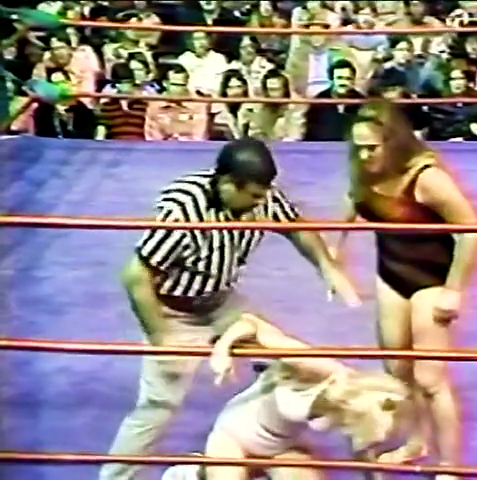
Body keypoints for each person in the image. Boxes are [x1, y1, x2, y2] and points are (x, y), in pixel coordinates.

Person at [100, 137, 361, 480]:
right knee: (159, 405)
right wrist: (162, 338)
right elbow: (135, 276)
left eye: (263, 194)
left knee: (285, 354)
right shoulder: (184, 210)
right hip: (174, 312)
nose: (261, 202)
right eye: (253, 195)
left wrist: (327, 267)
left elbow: (296, 227)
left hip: (220, 301)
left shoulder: (261, 196)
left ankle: (261, 435)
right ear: (227, 183)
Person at [333, 100, 477, 476]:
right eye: (358, 147)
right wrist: (336, 249)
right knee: (398, 370)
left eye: (372, 148)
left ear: (393, 141)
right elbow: (354, 202)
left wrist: (455, 289)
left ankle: (450, 465)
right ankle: (418, 441)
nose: (363, 155)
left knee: (430, 380)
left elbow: (472, 230)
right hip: (391, 274)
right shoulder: (363, 172)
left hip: (431, 279)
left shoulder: (426, 177)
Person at [160, 312, 414, 480]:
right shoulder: (318, 369)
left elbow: (363, 450)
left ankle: (250, 472)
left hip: (279, 447)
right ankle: (194, 471)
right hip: (235, 435)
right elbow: (251, 323)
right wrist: (223, 351)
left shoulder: (355, 408)